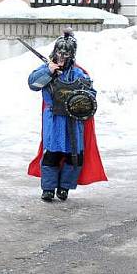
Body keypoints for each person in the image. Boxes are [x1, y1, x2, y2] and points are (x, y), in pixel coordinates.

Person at [27, 31, 106, 201]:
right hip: (54, 119)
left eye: (66, 53)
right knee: (51, 154)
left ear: (72, 55)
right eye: (59, 52)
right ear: (55, 52)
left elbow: (90, 95)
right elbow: (33, 84)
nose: (61, 56)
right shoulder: (46, 69)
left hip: (73, 120)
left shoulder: (78, 74)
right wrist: (48, 72)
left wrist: (82, 102)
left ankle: (64, 187)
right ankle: (48, 189)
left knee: (74, 156)